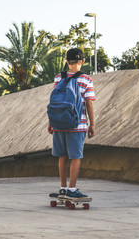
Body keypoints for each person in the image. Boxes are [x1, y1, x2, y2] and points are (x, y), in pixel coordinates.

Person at [48, 48, 96, 199]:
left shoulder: (58, 78)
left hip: (58, 124)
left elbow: (54, 101)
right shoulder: (86, 79)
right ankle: (72, 189)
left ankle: (62, 188)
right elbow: (89, 104)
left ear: (67, 62)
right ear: (82, 61)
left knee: (62, 156)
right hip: (77, 124)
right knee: (76, 157)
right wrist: (92, 124)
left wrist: (51, 122)